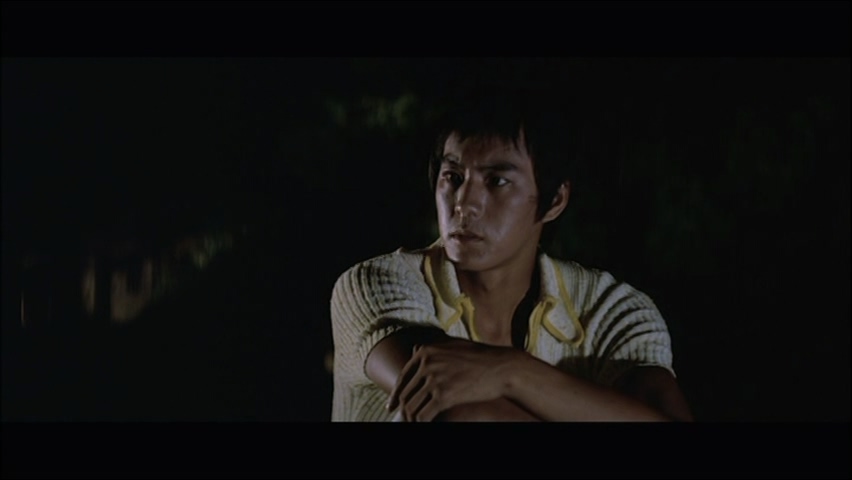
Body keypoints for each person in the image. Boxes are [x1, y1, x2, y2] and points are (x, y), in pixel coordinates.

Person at [329, 82, 693, 422]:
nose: (464, 204)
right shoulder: (376, 287)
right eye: (453, 177)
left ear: (555, 201)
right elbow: (460, 411)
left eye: (497, 181)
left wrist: (514, 372)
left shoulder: (610, 310)